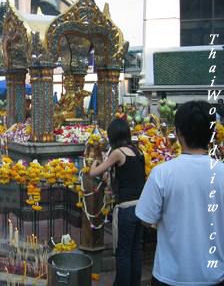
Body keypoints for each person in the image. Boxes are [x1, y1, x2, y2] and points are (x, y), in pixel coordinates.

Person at [136, 101, 224, 285]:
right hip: (214, 274)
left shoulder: (162, 173)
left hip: (170, 275)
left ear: (179, 133)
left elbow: (146, 219)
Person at [90, 118, 145, 286]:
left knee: (123, 253)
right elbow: (126, 177)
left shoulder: (118, 152)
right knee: (135, 251)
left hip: (126, 209)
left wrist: (94, 162)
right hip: (141, 208)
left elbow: (95, 173)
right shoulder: (138, 152)